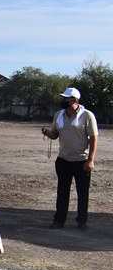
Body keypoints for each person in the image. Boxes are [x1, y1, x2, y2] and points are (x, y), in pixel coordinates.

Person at [41, 87, 98, 230]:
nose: (63, 100)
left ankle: (82, 221)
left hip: (81, 161)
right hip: (63, 160)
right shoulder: (58, 115)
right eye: (63, 98)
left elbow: (93, 138)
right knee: (62, 192)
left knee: (83, 193)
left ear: (75, 100)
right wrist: (48, 133)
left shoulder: (87, 115)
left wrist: (90, 160)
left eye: (66, 98)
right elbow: (55, 134)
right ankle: (59, 220)